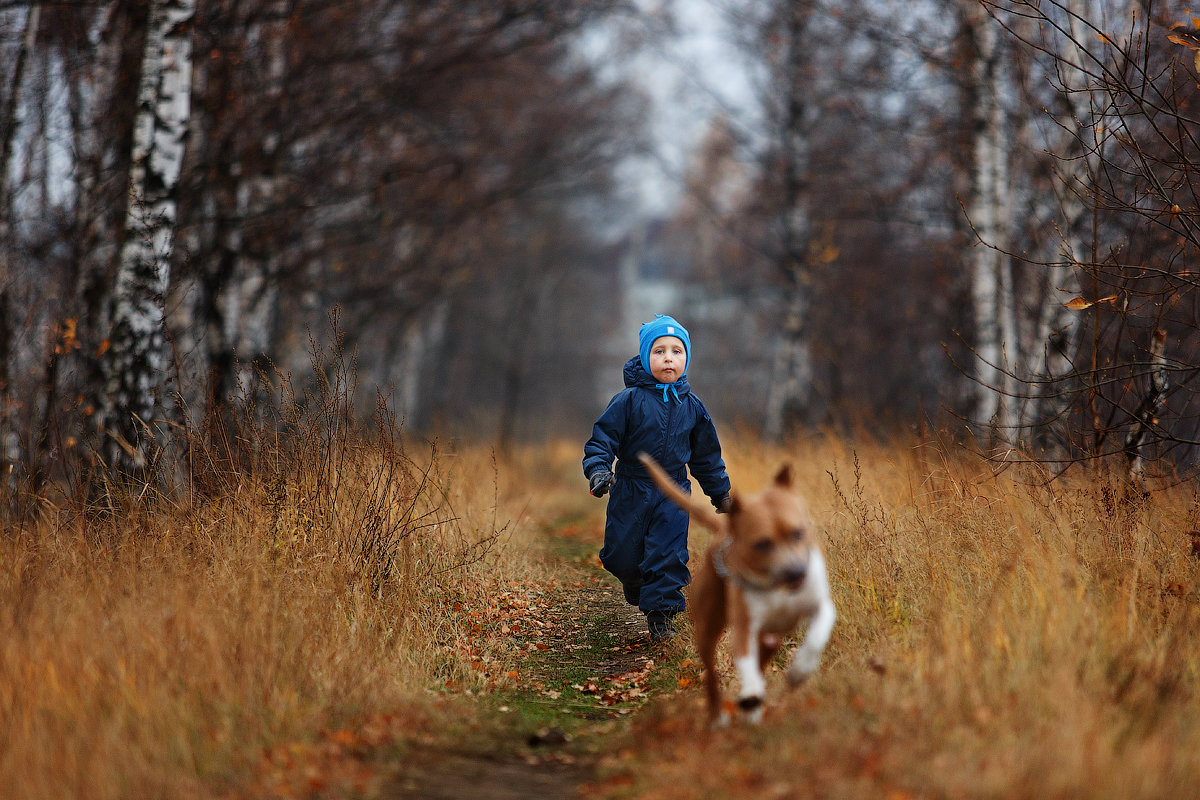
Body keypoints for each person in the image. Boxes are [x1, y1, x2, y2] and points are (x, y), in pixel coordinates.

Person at [583, 314, 731, 642]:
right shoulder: (628, 401)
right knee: (622, 555)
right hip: (631, 488)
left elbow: (707, 457)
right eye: (659, 351)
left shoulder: (693, 407)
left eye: (676, 351)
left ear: (686, 359)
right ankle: (635, 583)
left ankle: (661, 617)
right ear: (645, 357)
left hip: (674, 491)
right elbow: (602, 440)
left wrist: (721, 495)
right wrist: (597, 469)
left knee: (668, 553)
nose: (668, 358)